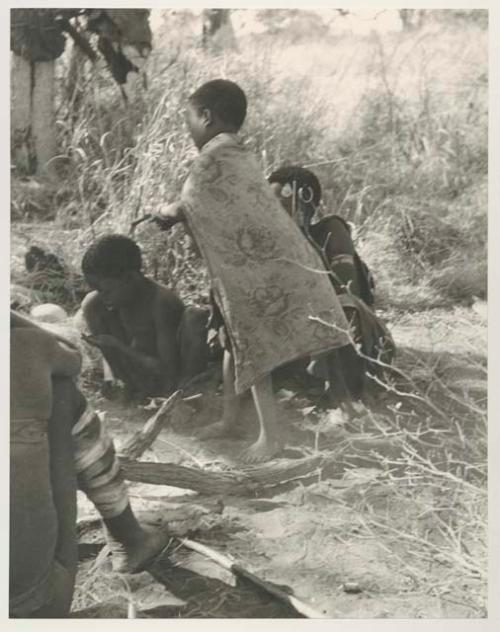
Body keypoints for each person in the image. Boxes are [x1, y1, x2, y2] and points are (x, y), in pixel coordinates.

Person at [151, 79, 351, 462]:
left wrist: (164, 211)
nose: (188, 127)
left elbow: (187, 205)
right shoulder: (239, 154)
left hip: (256, 272)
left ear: (206, 116)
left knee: (254, 342)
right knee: (233, 340)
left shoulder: (213, 158)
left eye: (190, 119)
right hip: (252, 265)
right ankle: (230, 417)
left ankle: (270, 438)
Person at [10, 311, 169, 618]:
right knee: (60, 393)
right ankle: (128, 536)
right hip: (34, 601)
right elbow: (71, 353)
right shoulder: (27, 345)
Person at [268, 165, 395, 404]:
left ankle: (345, 401)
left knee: (343, 307)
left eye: (282, 206)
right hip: (299, 337)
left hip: (345, 334)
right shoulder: (272, 244)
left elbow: (347, 290)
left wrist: (300, 237)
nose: (273, 214)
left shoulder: (330, 230)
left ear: (305, 205)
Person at [80, 234, 209, 400]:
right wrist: (112, 377)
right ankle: (128, 389)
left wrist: (117, 345)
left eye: (107, 290)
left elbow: (167, 369)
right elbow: (112, 354)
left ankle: (180, 396)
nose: (103, 297)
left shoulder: (161, 302)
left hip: (168, 379)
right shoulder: (100, 303)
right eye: (98, 290)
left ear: (131, 278)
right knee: (90, 303)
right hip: (136, 377)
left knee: (195, 316)